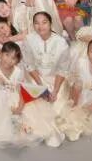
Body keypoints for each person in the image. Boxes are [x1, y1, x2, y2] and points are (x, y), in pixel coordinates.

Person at [19, 12, 69, 148]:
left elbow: (62, 70)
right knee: (34, 103)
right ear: (33, 25)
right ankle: (39, 128)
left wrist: (55, 90)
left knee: (57, 105)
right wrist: (41, 87)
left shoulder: (61, 43)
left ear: (50, 24)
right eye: (36, 23)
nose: (40, 26)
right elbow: (29, 65)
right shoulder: (29, 40)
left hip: (56, 80)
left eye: (44, 22)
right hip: (35, 77)